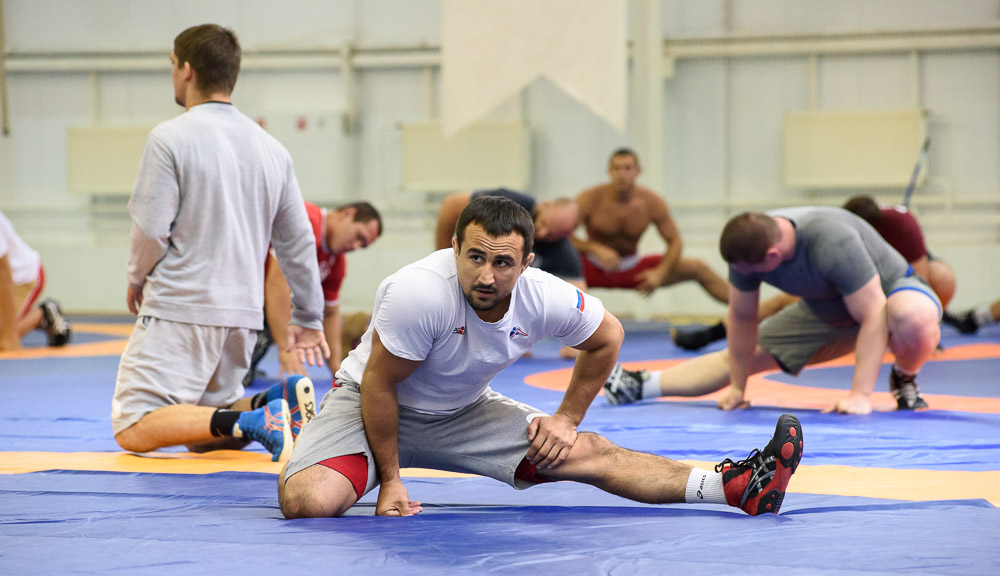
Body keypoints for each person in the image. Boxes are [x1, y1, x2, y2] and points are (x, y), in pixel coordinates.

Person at [278, 196, 804, 519]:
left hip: (462, 413)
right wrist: (390, 478)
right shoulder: (417, 292)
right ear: (456, 247)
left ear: (526, 263)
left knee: (585, 451)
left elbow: (608, 337)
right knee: (310, 503)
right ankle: (310, 436)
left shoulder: (543, 294)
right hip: (370, 407)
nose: (486, 276)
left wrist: (567, 418)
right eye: (475, 257)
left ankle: (734, 486)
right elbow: (379, 385)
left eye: (503, 263)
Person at [111, 24, 328, 463]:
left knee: (133, 424)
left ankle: (252, 421)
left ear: (186, 69)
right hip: (241, 318)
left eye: (173, 66)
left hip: (180, 306)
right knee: (203, 428)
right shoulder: (272, 149)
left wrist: (136, 279)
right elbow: (298, 242)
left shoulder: (169, 138)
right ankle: (272, 402)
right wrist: (308, 314)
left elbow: (151, 231)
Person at [604, 207, 942, 414]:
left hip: (890, 292)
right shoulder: (747, 245)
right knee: (739, 358)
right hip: (830, 308)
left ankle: (905, 376)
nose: (745, 277)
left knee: (911, 315)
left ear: (772, 258)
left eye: (752, 272)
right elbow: (741, 317)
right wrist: (738, 388)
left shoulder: (831, 240)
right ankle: (639, 385)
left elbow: (873, 312)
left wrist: (859, 396)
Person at [673, 193, 955, 351]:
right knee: (784, 301)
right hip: (850, 285)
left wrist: (924, 332)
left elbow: (922, 275)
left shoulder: (902, 227)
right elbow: (743, 313)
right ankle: (715, 333)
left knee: (940, 278)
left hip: (894, 281)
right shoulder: (839, 236)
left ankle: (927, 329)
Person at [243, 200, 382, 385]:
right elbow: (277, 285)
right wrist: (285, 349)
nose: (356, 247)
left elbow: (331, 313)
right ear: (347, 213)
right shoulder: (306, 221)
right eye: (358, 236)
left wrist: (337, 368)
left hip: (255, 301)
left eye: (362, 246)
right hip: (238, 292)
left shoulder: (336, 263)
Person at [436, 187, 585, 359]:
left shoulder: (563, 250)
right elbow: (451, 205)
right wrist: (445, 256)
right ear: (543, 206)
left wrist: (576, 341)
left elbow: (579, 294)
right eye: (543, 224)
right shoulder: (512, 203)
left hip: (500, 300)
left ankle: (510, 337)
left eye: (552, 235)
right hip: (466, 273)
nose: (542, 233)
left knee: (520, 287)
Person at [574, 148, 730, 301]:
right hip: (590, 267)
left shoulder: (651, 201)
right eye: (617, 168)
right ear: (609, 171)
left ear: (637, 171)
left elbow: (675, 241)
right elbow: (562, 236)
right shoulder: (590, 198)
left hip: (633, 268)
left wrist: (660, 273)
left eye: (627, 168)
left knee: (698, 267)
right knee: (550, 267)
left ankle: (751, 312)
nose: (622, 174)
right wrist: (594, 248)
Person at [0, 210, 72, 351]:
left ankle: (44, 313)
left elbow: (4, 273)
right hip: (6, 277)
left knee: (3, 339)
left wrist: (10, 336)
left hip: (21, 277)